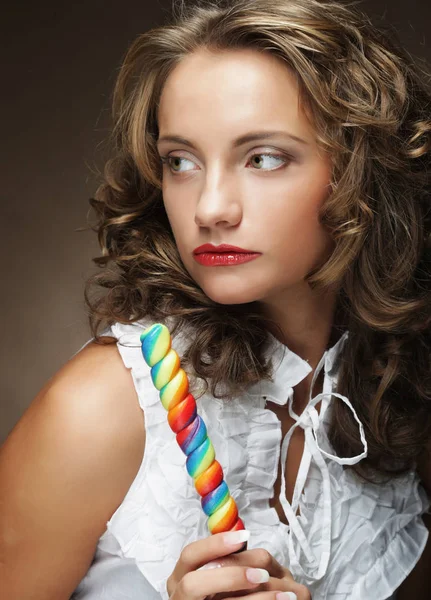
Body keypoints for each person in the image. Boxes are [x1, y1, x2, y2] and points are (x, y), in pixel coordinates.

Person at [1, 0, 431, 598]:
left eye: (263, 158)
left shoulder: (396, 388)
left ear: (365, 172)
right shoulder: (102, 409)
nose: (209, 208)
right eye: (181, 162)